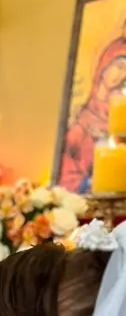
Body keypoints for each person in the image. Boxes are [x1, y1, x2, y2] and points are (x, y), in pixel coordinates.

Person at [60, 24, 126, 193]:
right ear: (104, 65)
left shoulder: (119, 117)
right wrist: (87, 184)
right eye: (119, 67)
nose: (122, 75)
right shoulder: (80, 120)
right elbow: (67, 173)